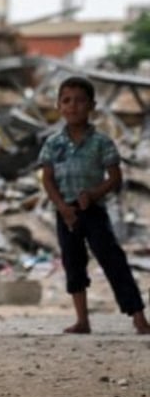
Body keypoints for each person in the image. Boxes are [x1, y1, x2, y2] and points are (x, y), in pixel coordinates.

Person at [39, 75, 150, 335]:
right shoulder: (53, 144)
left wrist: (94, 194)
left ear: (92, 106)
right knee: (73, 263)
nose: (73, 106)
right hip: (65, 212)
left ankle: (138, 317)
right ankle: (82, 320)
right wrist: (62, 207)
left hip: (93, 211)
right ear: (58, 106)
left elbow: (115, 177)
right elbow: (47, 178)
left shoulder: (101, 142)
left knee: (113, 261)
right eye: (66, 100)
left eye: (80, 101)